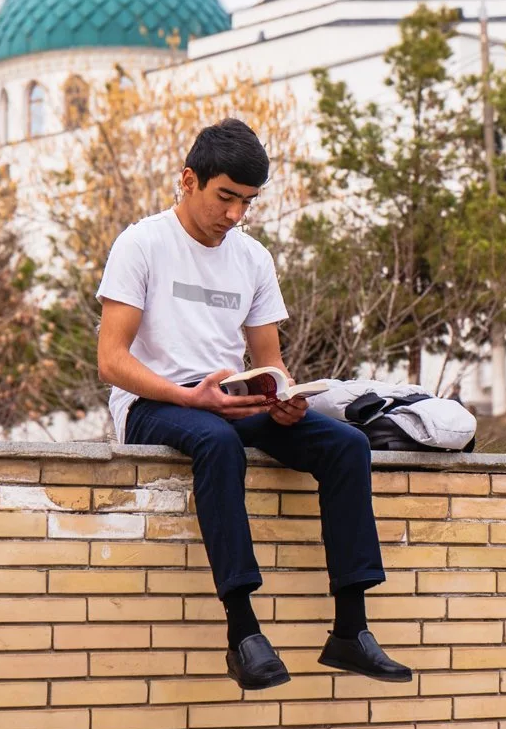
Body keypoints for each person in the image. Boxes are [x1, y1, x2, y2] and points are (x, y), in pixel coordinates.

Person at [96, 119, 411, 692]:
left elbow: (272, 360)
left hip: (232, 399)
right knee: (215, 442)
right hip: (154, 401)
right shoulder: (141, 244)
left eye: (248, 202)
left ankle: (350, 630)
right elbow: (111, 360)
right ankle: (243, 634)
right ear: (189, 180)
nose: (236, 214)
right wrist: (191, 396)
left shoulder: (253, 259)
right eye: (226, 197)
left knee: (347, 445)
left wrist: (283, 398)